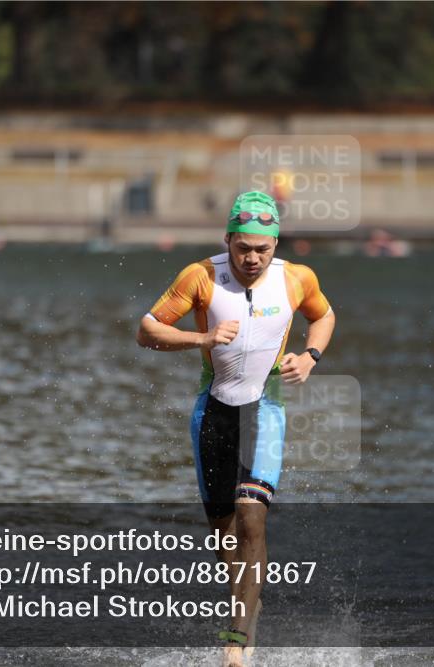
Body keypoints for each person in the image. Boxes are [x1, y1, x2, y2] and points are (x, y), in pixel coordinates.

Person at [136, 191, 336, 666]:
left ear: (275, 245)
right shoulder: (200, 276)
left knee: (252, 515)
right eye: (243, 247)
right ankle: (248, 600)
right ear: (227, 239)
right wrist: (200, 337)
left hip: (264, 408)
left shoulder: (297, 278)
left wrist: (310, 357)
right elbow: (146, 331)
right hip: (214, 410)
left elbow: (324, 316)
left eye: (262, 249)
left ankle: (237, 640)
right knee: (225, 535)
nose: (251, 258)